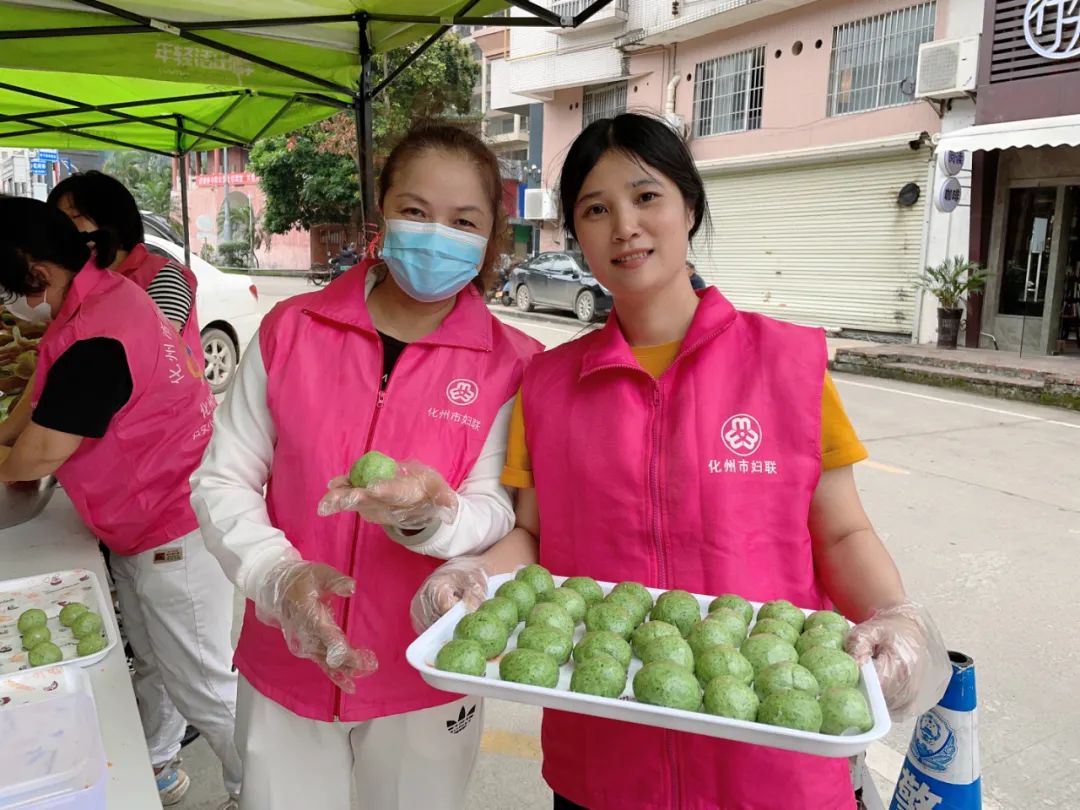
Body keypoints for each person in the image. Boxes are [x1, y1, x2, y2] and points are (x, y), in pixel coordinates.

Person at [411, 113, 951, 810]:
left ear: (689, 207)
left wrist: (895, 617)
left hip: (772, 757)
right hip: (605, 757)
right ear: (576, 235)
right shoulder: (547, 386)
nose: (624, 227)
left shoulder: (785, 364)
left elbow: (842, 531)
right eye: (595, 209)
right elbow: (534, 538)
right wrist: (474, 579)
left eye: (646, 197)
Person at [190, 122, 542, 810]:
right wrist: (277, 575)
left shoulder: (516, 363)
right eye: (415, 210)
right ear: (380, 212)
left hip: (427, 665)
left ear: (492, 236)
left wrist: (429, 517)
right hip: (286, 656)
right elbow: (223, 477)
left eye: (463, 220)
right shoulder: (292, 330)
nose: (436, 233)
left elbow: (498, 509)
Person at [0, 198, 241, 808]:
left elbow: (36, 455)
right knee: (157, 665)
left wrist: (7, 458)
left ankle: (265, 788)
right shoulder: (95, 297)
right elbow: (34, 408)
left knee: (206, 689)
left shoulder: (98, 335)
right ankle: (158, 765)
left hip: (172, 526)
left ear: (33, 269)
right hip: (146, 521)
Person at [0, 172, 204, 446]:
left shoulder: (162, 276)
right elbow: (51, 371)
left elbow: (143, 362)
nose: (59, 229)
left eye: (70, 219)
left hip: (165, 445)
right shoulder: (77, 286)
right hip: (107, 449)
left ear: (112, 221)